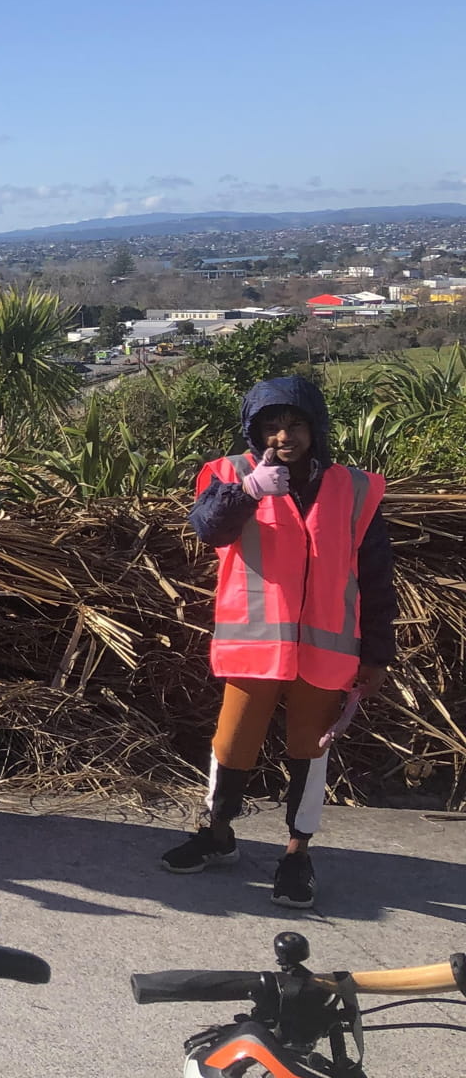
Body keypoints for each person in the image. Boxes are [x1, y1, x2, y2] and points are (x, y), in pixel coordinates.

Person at [162, 376, 395, 910]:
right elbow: (207, 529)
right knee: (233, 742)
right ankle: (217, 835)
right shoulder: (231, 475)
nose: (284, 435)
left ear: (315, 428)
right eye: (271, 426)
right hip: (255, 645)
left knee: (310, 754)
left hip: (329, 650)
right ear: (255, 431)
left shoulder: (355, 488)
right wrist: (245, 494)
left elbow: (377, 575)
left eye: (294, 424)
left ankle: (296, 854)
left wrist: (377, 656)